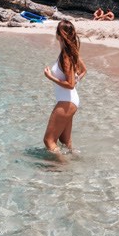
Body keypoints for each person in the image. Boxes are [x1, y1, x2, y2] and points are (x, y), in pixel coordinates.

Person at [43, 20, 87, 153]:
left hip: (66, 101)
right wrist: (77, 78)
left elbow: (70, 84)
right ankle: (73, 165)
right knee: (65, 141)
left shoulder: (66, 56)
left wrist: (51, 77)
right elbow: (84, 70)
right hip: (71, 100)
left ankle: (63, 167)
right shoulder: (70, 53)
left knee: (49, 140)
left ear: (59, 35)